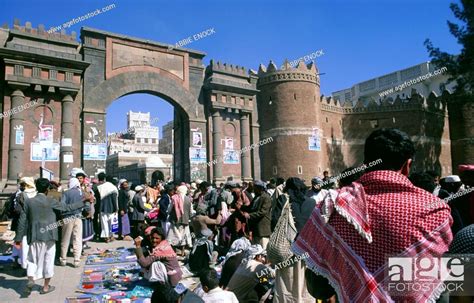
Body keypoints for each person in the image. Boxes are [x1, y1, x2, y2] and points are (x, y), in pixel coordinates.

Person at [293, 128, 453, 302]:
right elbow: (445, 285)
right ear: (407, 165)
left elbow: (318, 289)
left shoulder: (333, 206)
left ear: (366, 162)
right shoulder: (435, 210)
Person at [14, 178, 88, 296]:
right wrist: (83, 201)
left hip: (34, 234)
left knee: (32, 259)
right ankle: (45, 286)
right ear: (48, 189)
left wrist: (18, 239)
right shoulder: (51, 201)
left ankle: (31, 279)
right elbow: (67, 208)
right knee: (48, 259)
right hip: (50, 234)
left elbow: (22, 220)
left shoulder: (28, 202)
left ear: (36, 188)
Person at [272, 177, 315, 303]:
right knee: (304, 285)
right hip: (307, 250)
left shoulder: (283, 200)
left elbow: (275, 223)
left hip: (287, 249)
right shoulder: (312, 202)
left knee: (287, 284)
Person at [59, 178, 91, 267]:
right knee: (77, 238)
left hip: (67, 218)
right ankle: (76, 259)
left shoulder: (66, 193)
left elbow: (62, 206)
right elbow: (87, 206)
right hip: (78, 217)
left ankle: (63, 259)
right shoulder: (82, 192)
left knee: (65, 239)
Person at [243, 180, 271, 249]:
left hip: (263, 229)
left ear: (260, 188)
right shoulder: (256, 197)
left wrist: (249, 215)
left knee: (263, 248)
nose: (254, 190)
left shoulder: (266, 198)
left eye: (255, 188)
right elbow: (251, 208)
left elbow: (262, 212)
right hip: (255, 229)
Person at [167, 185, 193, 254]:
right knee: (184, 236)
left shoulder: (174, 198)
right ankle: (182, 251)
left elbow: (169, 209)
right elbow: (191, 211)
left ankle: (174, 251)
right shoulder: (188, 199)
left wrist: (169, 213)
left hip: (175, 220)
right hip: (185, 220)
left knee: (173, 235)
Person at [76, 173, 95, 251]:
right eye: (78, 178)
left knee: (86, 228)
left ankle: (84, 244)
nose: (79, 180)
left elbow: (92, 198)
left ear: (83, 179)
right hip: (78, 211)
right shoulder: (75, 188)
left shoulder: (87, 188)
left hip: (87, 211)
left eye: (81, 178)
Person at [98, 175, 119, 242]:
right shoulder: (113, 188)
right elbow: (114, 199)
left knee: (104, 223)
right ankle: (111, 236)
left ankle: (106, 237)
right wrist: (116, 208)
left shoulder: (101, 187)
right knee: (111, 223)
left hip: (102, 208)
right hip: (112, 208)